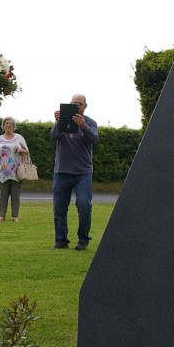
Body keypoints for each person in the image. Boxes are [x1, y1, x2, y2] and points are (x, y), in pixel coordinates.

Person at [51, 94, 99, 250]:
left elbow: (94, 139)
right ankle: (61, 241)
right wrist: (58, 122)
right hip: (62, 171)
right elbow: (53, 136)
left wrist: (83, 126)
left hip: (83, 172)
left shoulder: (90, 122)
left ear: (85, 106)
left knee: (84, 204)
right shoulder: (62, 122)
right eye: (73, 103)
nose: (76, 106)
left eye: (79, 104)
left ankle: (83, 240)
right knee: (59, 207)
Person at [0, 116, 29, 222]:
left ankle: (15, 216)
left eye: (10, 123)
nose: (8, 125)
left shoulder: (19, 138)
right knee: (3, 194)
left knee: (15, 194)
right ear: (3, 126)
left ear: (13, 126)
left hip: (16, 171)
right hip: (2, 171)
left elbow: (26, 151)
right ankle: (2, 215)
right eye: (6, 123)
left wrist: (22, 151)